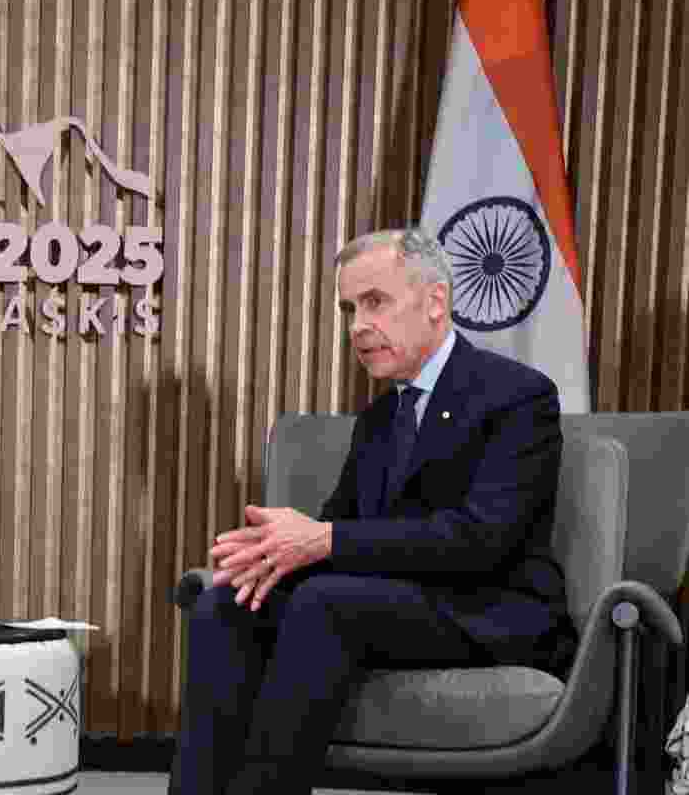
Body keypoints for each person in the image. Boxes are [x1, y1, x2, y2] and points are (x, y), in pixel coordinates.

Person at [175, 227, 575, 795]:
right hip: (393, 603)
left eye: (375, 302)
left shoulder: (517, 396)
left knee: (326, 601)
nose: (357, 326)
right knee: (226, 603)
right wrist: (270, 555)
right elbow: (340, 525)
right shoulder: (380, 419)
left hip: (488, 608)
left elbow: (483, 538)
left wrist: (323, 541)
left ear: (435, 301)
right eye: (349, 309)